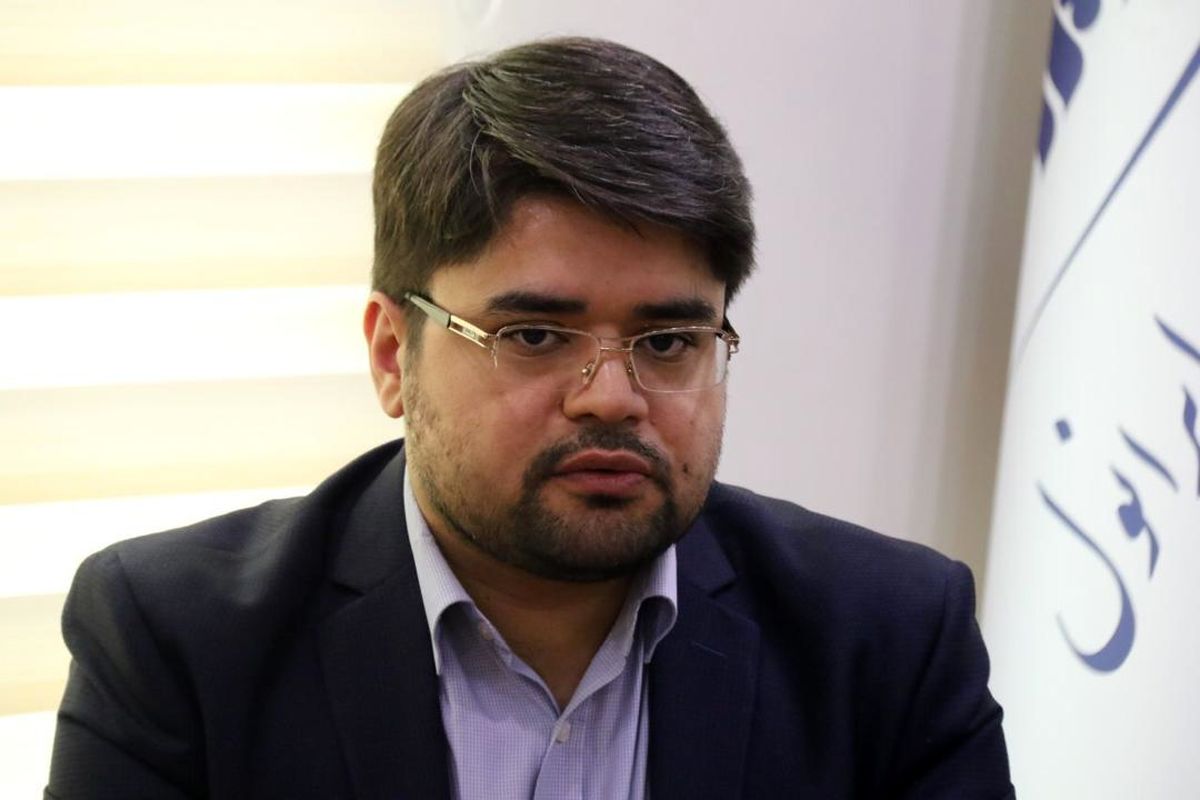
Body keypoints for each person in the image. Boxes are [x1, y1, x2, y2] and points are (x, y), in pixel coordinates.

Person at [46, 37, 1013, 800]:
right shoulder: (180, 641)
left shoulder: (887, 638)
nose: (611, 396)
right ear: (392, 355)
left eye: (669, 341)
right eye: (537, 336)